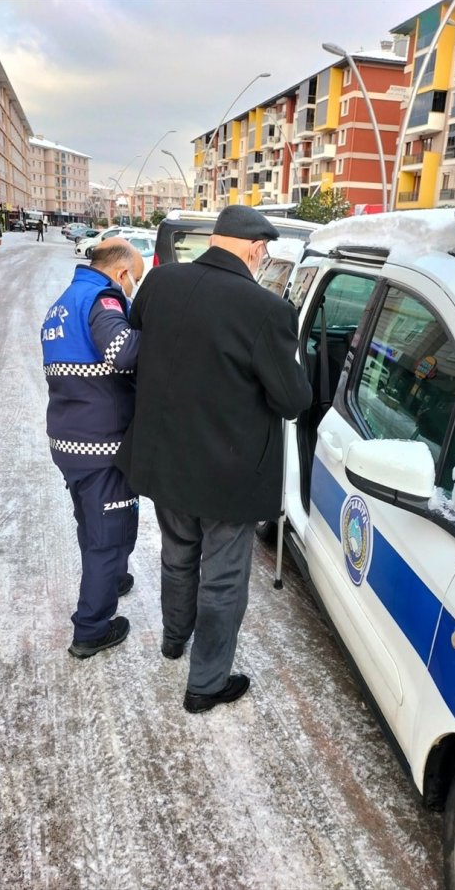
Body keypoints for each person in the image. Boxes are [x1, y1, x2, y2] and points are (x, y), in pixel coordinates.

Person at [116, 205, 312, 712]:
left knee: (177, 554)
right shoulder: (267, 310)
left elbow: (145, 334)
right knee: (223, 579)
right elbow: (292, 400)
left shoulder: (161, 283)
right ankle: (206, 683)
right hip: (228, 473)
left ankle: (174, 639)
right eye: (263, 252)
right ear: (255, 248)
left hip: (163, 459)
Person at [41, 238, 144, 659]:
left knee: (92, 523)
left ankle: (112, 578)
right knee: (110, 537)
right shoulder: (103, 299)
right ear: (121, 273)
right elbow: (122, 352)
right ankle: (91, 629)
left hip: (69, 439)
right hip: (101, 443)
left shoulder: (63, 304)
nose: (133, 288)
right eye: (134, 280)